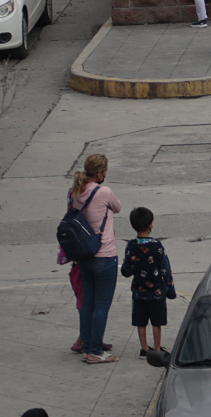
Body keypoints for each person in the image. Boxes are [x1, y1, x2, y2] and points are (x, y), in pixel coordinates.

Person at [67, 154, 124, 364]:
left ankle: (87, 346)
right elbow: (117, 207)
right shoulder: (104, 192)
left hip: (84, 254)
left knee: (88, 302)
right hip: (104, 254)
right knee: (102, 305)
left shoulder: (75, 191)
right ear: (101, 173)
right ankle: (95, 352)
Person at [119, 207, 176, 360]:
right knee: (156, 322)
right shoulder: (157, 246)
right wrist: (170, 288)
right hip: (156, 291)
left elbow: (126, 271)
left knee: (141, 321)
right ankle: (157, 348)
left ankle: (144, 348)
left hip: (138, 291)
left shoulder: (130, 246)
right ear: (151, 225)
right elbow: (165, 268)